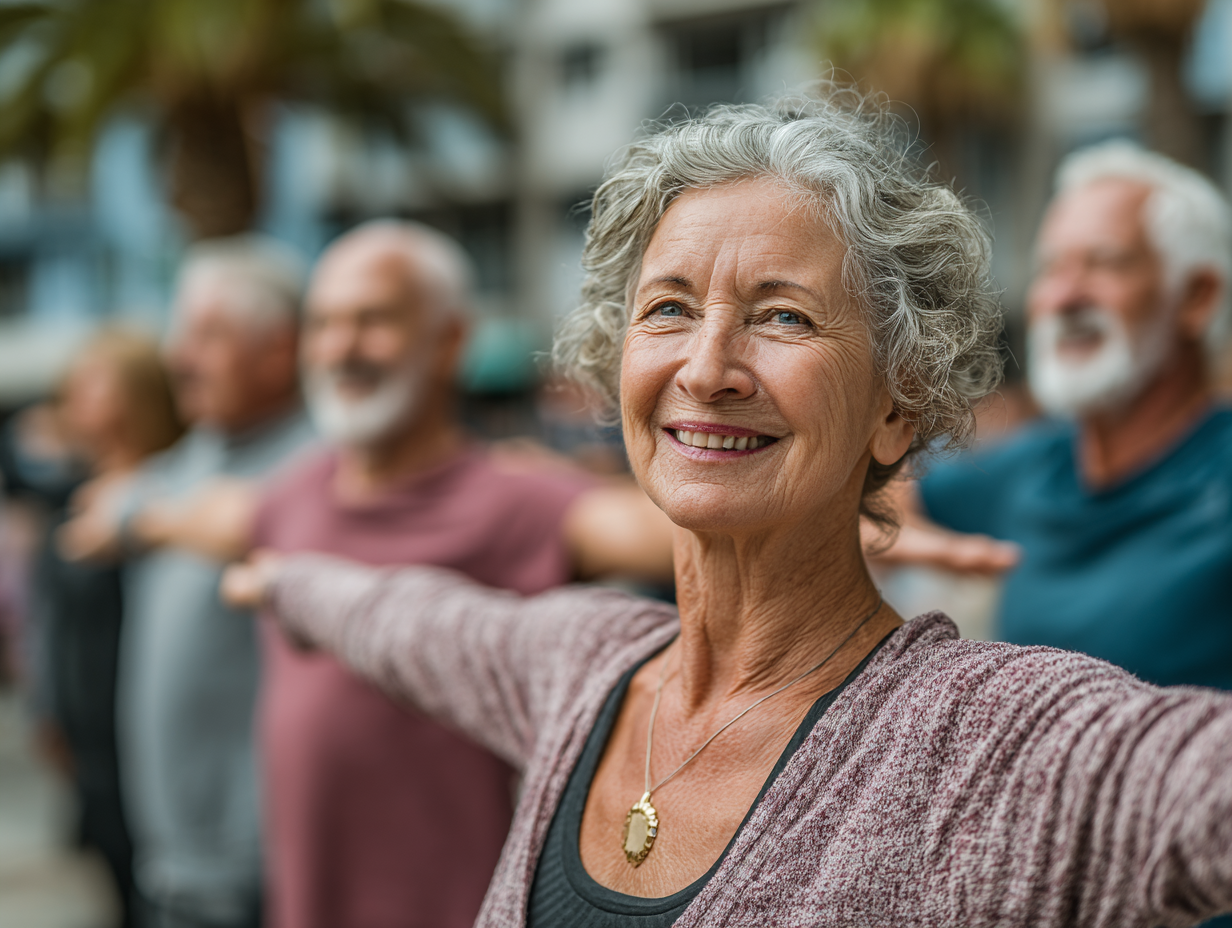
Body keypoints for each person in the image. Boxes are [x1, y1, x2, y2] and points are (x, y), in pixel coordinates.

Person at [225, 91, 1232, 927]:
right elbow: (415, 619)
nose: (705, 369)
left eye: (781, 316)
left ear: (895, 404)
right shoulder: (579, 667)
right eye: (666, 308)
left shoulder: (987, 746)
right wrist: (282, 581)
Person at [247, 219, 673, 928]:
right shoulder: (284, 496)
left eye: (372, 320)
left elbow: (674, 535)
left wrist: (848, 518)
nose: (341, 347)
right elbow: (206, 513)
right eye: (323, 323)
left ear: (450, 340)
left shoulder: (515, 499)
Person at [884, 142, 1232, 690]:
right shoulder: (1035, 464)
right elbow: (867, 499)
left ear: (1196, 297)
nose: (1065, 295)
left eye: (1106, 263)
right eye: (1051, 268)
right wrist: (897, 539)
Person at [62, 236, 314, 928]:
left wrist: (137, 514)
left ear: (279, 348)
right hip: (172, 868)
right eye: (181, 332)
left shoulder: (319, 466)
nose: (180, 355)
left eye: (209, 333)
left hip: (262, 873)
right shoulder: (184, 464)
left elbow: (260, 521)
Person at [30, 331, 185, 928]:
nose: (75, 397)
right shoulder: (70, 500)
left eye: (94, 382)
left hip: (144, 737)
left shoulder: (169, 499)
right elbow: (50, 623)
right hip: (87, 743)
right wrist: (48, 709)